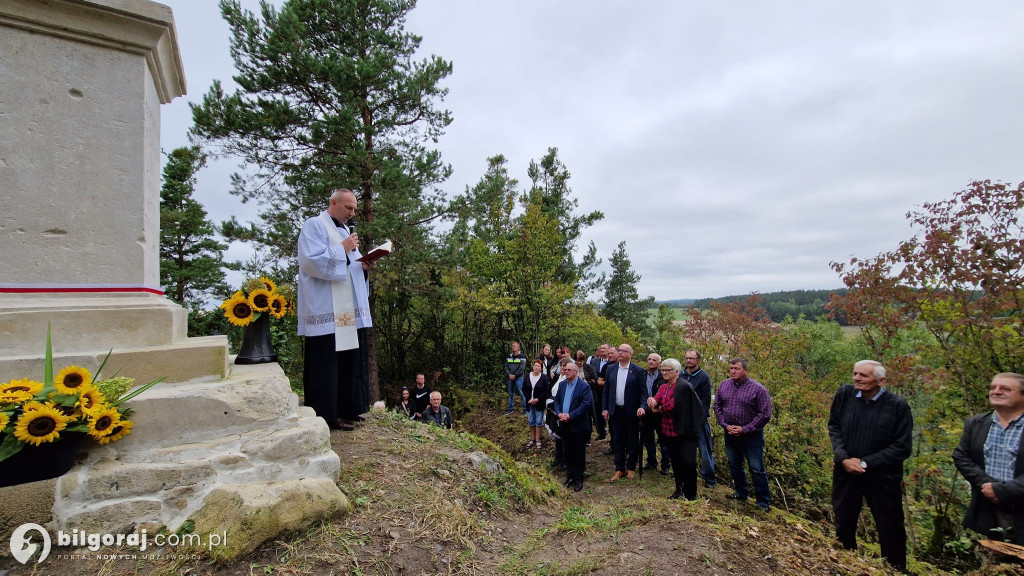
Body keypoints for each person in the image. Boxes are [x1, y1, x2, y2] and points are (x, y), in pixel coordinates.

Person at [297, 188, 373, 431]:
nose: (351, 213)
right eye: (348, 208)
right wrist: (342, 248)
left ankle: (348, 409)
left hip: (346, 309)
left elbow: (349, 267)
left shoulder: (344, 231)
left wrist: (364, 266)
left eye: (354, 210)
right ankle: (326, 415)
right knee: (327, 364)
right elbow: (310, 261)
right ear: (333, 202)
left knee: (348, 359)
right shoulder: (314, 225)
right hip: (325, 307)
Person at [827, 360, 912, 570]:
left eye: (863, 375)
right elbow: (834, 426)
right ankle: (846, 560)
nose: (857, 378)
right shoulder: (844, 395)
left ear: (881, 381)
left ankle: (895, 568)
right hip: (846, 471)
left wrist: (866, 463)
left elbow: (902, 447)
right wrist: (844, 458)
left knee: (889, 524)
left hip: (882, 476)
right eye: (855, 374)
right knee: (844, 518)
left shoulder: (898, 406)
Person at [954, 372, 1024, 545]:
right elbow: (961, 456)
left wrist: (1004, 490)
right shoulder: (977, 423)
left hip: (1021, 507)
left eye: (1005, 388)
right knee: (997, 563)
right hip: (988, 509)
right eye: (993, 388)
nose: (996, 391)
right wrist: (987, 484)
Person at [714, 357, 772, 511]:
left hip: (751, 436)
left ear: (745, 370)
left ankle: (763, 502)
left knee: (756, 468)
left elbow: (765, 414)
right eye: (731, 368)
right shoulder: (724, 385)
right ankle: (741, 492)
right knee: (734, 464)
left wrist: (745, 429)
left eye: (736, 368)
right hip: (730, 433)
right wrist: (725, 425)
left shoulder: (758, 389)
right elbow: (717, 406)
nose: (733, 371)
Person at [647, 358, 704, 500]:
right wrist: (652, 401)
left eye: (668, 370)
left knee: (688, 463)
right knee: (676, 462)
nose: (664, 373)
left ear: (676, 372)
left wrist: (658, 409)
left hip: (685, 432)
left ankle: (691, 495)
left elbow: (674, 405)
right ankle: (679, 490)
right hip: (669, 431)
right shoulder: (664, 387)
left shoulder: (683, 386)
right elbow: (657, 398)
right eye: (663, 370)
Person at [602, 344, 649, 482]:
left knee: (632, 440)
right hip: (615, 411)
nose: (621, 353)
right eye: (619, 350)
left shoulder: (638, 371)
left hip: (632, 412)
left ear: (630, 354)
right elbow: (606, 391)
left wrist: (642, 407)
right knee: (617, 440)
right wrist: (605, 408)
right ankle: (619, 468)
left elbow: (643, 392)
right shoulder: (611, 369)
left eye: (624, 351)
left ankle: (631, 468)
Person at [554, 361, 593, 492]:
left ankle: (578, 477)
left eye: (569, 370)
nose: (566, 371)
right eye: (565, 370)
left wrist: (570, 416)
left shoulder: (584, 386)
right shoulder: (562, 384)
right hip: (564, 424)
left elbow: (585, 405)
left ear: (576, 372)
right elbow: (557, 401)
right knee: (568, 451)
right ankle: (570, 476)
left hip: (579, 425)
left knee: (579, 452)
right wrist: (559, 413)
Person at [680, 349, 716, 485]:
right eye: (687, 358)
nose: (689, 360)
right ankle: (685, 473)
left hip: (698, 421)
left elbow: (706, 400)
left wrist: (700, 421)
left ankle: (709, 478)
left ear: (698, 361)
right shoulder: (681, 375)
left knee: (704, 451)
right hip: (683, 420)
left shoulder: (703, 377)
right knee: (684, 450)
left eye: (692, 358)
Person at [640, 352, 666, 471]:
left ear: (659, 363)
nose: (651, 361)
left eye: (654, 360)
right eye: (649, 359)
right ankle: (651, 462)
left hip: (660, 412)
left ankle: (665, 466)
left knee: (663, 439)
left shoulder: (663, 377)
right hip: (646, 412)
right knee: (648, 438)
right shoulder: (642, 374)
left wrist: (658, 406)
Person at [546, 357, 573, 470]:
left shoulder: (567, 380)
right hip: (553, 409)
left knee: (563, 437)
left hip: (562, 410)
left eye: (565, 366)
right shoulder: (558, 377)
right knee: (556, 435)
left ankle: (565, 460)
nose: (563, 368)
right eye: (561, 366)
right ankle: (558, 457)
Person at [523, 359, 551, 449]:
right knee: (531, 421)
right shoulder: (527, 376)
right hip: (529, 403)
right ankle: (532, 439)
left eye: (538, 366)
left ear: (541, 369)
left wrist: (538, 399)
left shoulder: (544, 378)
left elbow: (546, 391)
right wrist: (529, 399)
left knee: (539, 422)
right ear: (533, 366)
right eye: (535, 365)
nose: (536, 367)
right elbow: (524, 389)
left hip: (539, 403)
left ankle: (538, 439)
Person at [588, 344, 610, 441]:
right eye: (601, 348)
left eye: (604, 348)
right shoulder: (594, 361)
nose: (602, 350)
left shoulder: (612, 362)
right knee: (597, 411)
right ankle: (601, 433)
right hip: (596, 391)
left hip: (608, 390)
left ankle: (609, 430)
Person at [505, 341, 527, 415]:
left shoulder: (522, 357)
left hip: (519, 378)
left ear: (518, 347)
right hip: (510, 378)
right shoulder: (509, 356)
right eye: (512, 346)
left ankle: (525, 410)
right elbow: (506, 367)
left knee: (522, 394)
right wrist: (509, 374)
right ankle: (510, 409)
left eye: (514, 346)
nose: (513, 347)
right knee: (511, 394)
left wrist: (515, 375)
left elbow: (522, 368)